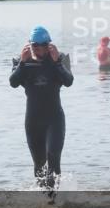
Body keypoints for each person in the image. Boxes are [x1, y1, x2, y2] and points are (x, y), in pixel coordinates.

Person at [9, 26, 73, 194]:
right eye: (35, 45)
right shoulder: (21, 61)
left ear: (49, 45)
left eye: (43, 45)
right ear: (30, 45)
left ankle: (54, 199)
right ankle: (44, 197)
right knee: (39, 163)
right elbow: (13, 83)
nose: (39, 49)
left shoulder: (60, 58)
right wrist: (22, 64)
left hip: (54, 120)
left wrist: (57, 62)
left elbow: (68, 81)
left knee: (53, 157)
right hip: (33, 121)